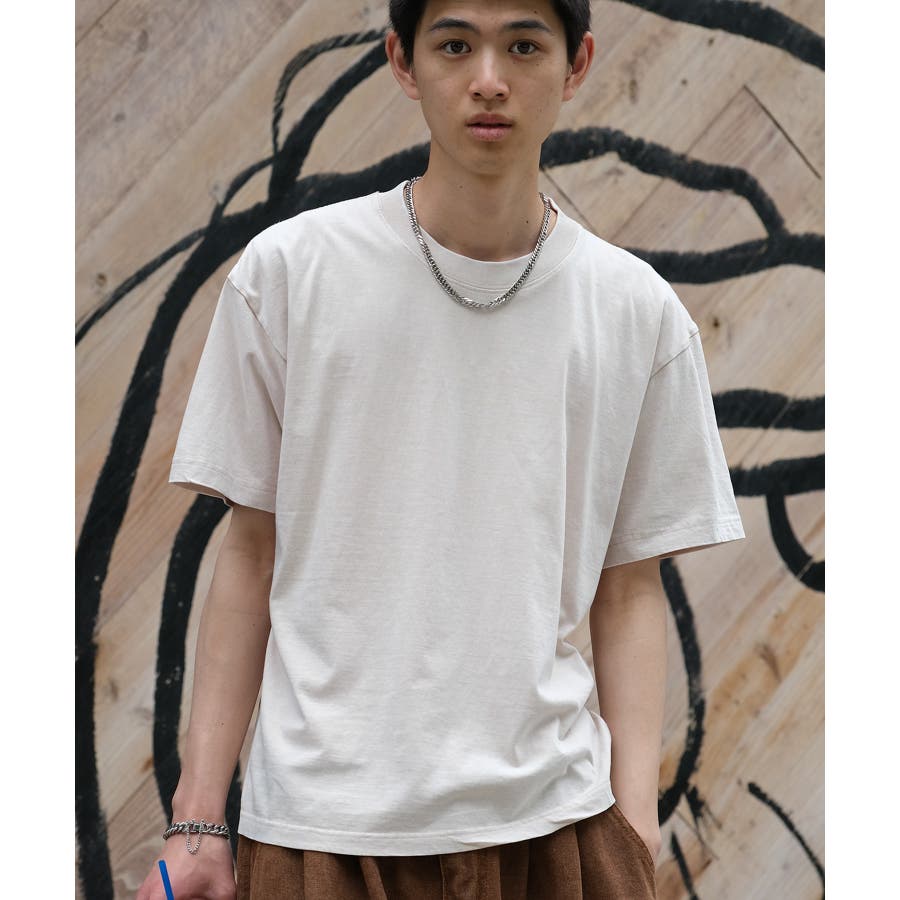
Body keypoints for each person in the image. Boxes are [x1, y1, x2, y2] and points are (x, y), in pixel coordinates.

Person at [137, 0, 746, 897]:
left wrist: (633, 833)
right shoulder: (290, 275)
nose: (488, 80)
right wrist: (197, 822)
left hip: (553, 831)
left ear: (577, 64)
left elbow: (628, 587)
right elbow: (251, 553)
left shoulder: (636, 313)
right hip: (320, 833)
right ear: (402, 60)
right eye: (455, 44)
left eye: (524, 45)